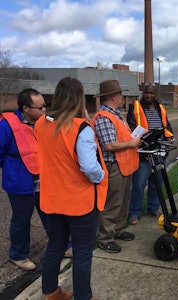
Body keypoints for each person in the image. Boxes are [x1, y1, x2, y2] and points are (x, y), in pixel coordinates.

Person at [34, 77, 108, 300]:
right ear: (79, 98)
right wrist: (101, 175)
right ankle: (83, 296)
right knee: (83, 253)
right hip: (80, 203)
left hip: (52, 199)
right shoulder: (80, 128)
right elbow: (89, 166)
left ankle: (51, 292)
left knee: (55, 247)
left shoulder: (40, 124)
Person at [0, 88, 48, 271]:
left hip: (44, 180)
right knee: (21, 220)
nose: (44, 110)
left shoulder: (43, 122)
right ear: (26, 108)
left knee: (51, 216)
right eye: (40, 107)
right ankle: (18, 255)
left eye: (45, 106)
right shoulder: (6, 126)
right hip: (20, 183)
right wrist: (14, 168)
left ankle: (62, 246)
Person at [92, 79, 142, 254]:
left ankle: (118, 230)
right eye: (120, 94)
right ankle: (106, 238)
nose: (122, 97)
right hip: (113, 167)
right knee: (112, 204)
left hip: (123, 165)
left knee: (123, 201)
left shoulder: (115, 115)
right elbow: (109, 145)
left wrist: (132, 141)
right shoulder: (104, 117)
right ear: (113, 96)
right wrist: (132, 143)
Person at [126, 83, 173, 225]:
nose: (149, 95)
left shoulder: (161, 108)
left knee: (157, 183)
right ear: (143, 93)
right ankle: (134, 213)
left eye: (152, 93)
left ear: (155, 94)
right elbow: (131, 127)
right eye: (147, 93)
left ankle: (153, 208)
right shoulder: (135, 108)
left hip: (159, 152)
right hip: (143, 153)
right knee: (139, 185)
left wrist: (169, 136)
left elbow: (167, 126)